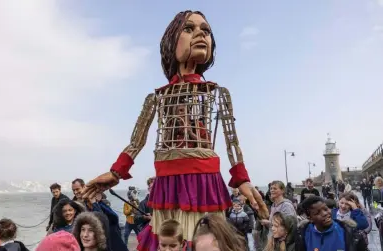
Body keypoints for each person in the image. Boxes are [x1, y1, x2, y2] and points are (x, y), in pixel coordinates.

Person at [82, 10, 268, 250]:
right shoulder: (157, 98)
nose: (201, 33)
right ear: (172, 41)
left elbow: (231, 140)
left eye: (206, 30)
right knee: (167, 241)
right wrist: (115, 173)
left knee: (205, 239)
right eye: (189, 29)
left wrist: (242, 179)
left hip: (204, 183)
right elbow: (136, 141)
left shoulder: (217, 93)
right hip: (167, 183)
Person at [296, 196, 367, 251]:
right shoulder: (303, 234)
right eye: (317, 213)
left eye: (325, 209)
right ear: (310, 218)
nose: (325, 213)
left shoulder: (349, 231)